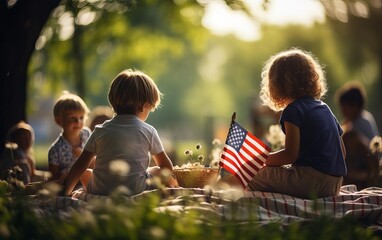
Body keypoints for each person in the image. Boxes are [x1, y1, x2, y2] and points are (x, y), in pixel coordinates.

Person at [237, 48, 346, 199]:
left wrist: (260, 160)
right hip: (335, 184)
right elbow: (342, 152)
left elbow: (290, 155)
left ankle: (244, 202)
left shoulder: (293, 111)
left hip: (310, 183)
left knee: (252, 175)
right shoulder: (324, 108)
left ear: (276, 84)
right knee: (276, 175)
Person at [61, 69, 177, 197]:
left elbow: (80, 165)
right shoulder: (149, 130)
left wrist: (66, 192)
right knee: (156, 171)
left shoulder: (100, 130)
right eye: (150, 109)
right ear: (143, 106)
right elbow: (167, 167)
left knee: (85, 172)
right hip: (137, 189)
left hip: (101, 190)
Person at [336, 82, 380, 189]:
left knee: (349, 137)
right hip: (362, 164)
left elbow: (372, 152)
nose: (342, 111)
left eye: (344, 107)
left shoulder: (361, 121)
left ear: (354, 106)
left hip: (367, 166)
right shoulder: (352, 121)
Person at [48, 91, 92, 181]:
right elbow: (54, 178)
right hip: (67, 185)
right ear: (59, 120)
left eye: (81, 118)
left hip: (89, 181)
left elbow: (96, 162)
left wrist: (83, 156)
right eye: (72, 118)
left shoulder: (87, 134)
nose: (78, 122)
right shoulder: (55, 150)